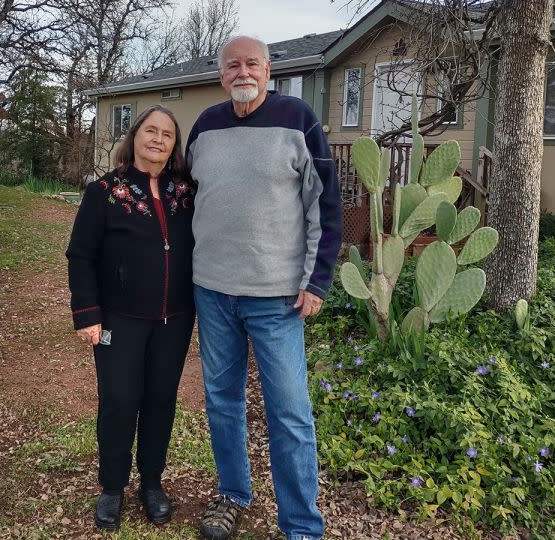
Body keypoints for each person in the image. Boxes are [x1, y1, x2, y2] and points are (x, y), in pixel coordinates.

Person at [185, 35, 343, 540]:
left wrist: (316, 280)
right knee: (222, 401)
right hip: (212, 291)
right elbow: (187, 198)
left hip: (277, 297)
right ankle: (233, 493)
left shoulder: (298, 119)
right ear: (221, 74)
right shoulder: (205, 127)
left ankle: (301, 526)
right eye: (233, 65)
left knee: (290, 412)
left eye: (252, 62)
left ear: (269, 70)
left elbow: (326, 207)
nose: (242, 71)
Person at [66, 105, 196, 531]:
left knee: (160, 401)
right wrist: (87, 314)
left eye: (168, 135)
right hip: (119, 321)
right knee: (120, 401)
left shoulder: (186, 192)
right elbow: (81, 255)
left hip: (173, 320)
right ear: (135, 136)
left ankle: (152, 483)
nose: (158, 139)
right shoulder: (104, 191)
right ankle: (112, 487)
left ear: (175, 146)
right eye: (150, 131)